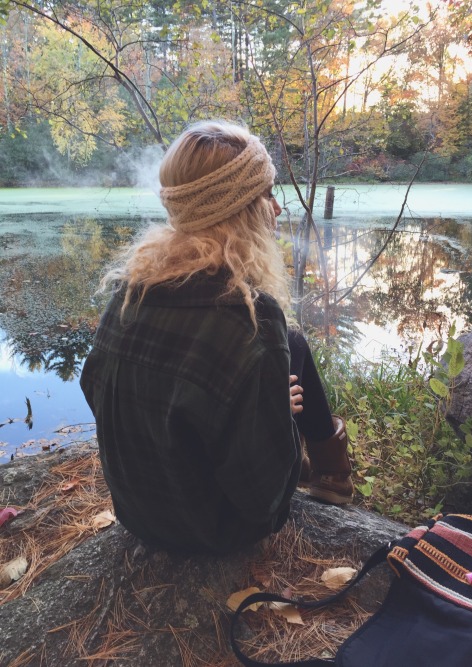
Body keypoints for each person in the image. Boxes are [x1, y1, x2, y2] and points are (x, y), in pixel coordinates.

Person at [80, 121, 353, 555]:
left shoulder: (130, 291)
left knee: (294, 343)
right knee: (285, 345)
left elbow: (98, 388)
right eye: (266, 194)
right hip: (213, 532)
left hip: (135, 513)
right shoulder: (252, 320)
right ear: (239, 210)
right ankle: (333, 475)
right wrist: (276, 416)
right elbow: (262, 500)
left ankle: (330, 471)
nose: (276, 208)